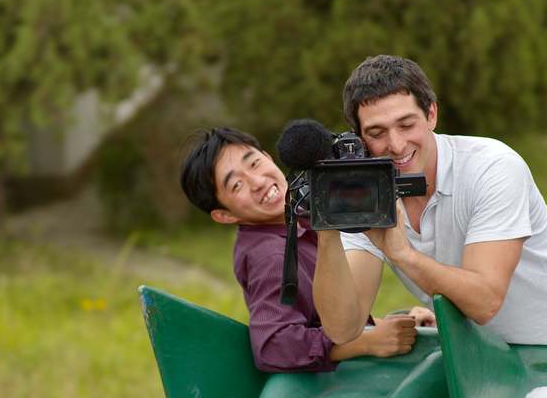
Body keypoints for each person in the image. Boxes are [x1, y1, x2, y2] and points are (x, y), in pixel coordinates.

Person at [313, 55, 547, 348]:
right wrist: (328, 228)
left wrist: (403, 254)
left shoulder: (492, 167)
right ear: (360, 137)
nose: (395, 145)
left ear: (431, 114)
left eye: (406, 125)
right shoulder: (364, 192)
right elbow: (343, 329)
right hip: (491, 347)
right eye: (377, 132)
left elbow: (485, 301)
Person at [179, 127, 435, 373]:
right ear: (223, 215)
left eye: (254, 163)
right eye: (237, 185)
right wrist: (364, 343)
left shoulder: (299, 215)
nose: (257, 182)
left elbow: (317, 318)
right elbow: (273, 345)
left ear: (267, 157)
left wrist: (389, 324)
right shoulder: (270, 256)